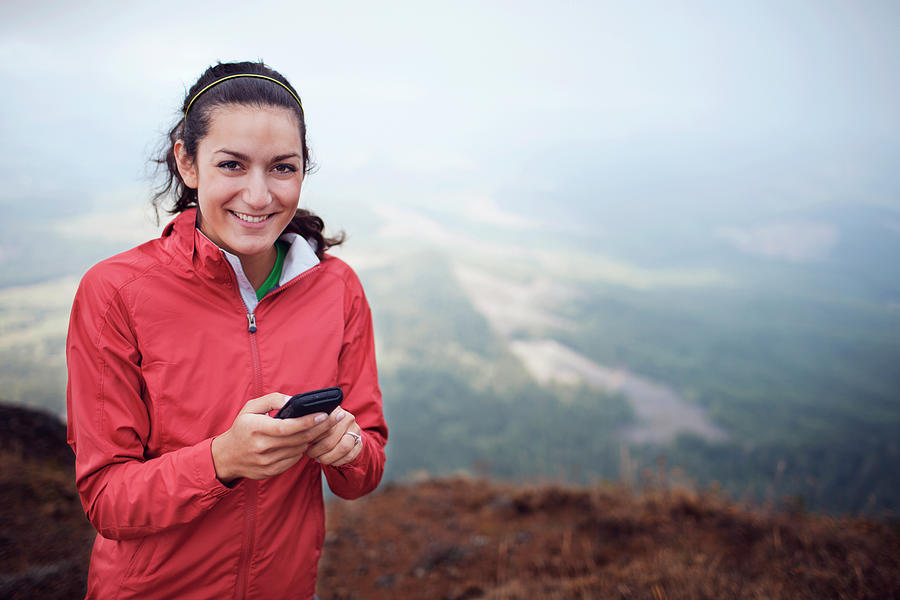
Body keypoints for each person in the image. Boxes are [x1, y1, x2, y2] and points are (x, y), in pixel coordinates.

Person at [66, 60, 388, 599]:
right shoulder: (115, 293)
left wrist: (348, 448)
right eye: (232, 165)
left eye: (282, 168)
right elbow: (106, 500)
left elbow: (366, 467)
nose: (260, 196)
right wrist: (221, 461)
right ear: (187, 163)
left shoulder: (337, 288)